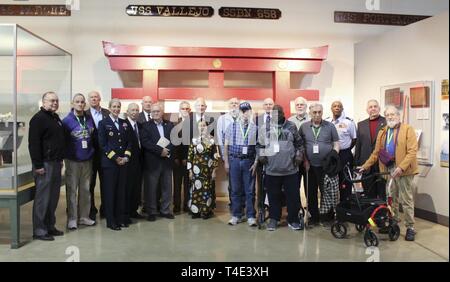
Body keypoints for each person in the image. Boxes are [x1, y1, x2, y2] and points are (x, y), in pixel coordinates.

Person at [360, 105, 419, 241]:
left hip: (404, 170)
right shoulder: (383, 131)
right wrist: (365, 165)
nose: (391, 117)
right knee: (391, 198)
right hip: (389, 169)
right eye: (388, 115)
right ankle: (393, 222)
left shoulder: (407, 129)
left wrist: (401, 167)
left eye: (393, 114)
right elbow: (376, 153)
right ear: (385, 117)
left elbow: (412, 151)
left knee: (406, 199)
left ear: (398, 116)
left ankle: (410, 227)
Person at [258, 105, 305, 231]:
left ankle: (293, 220)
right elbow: (259, 146)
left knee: (293, 196)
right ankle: (274, 219)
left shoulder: (291, 126)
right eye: (274, 112)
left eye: (279, 112)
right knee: (273, 196)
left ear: (283, 113)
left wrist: (299, 157)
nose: (277, 114)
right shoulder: (264, 128)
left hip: (290, 170)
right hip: (272, 170)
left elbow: (300, 144)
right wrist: (262, 157)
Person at [28, 91, 65, 240]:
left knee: (53, 198)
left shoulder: (55, 118)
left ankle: (50, 226)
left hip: (56, 163)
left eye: (56, 101)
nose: (54, 103)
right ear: (43, 102)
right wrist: (38, 165)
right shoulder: (38, 119)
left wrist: (61, 159)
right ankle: (39, 230)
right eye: (51, 101)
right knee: (43, 199)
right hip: (44, 164)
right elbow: (34, 144)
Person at [300, 102, 340, 226]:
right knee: (310, 192)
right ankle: (314, 217)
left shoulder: (330, 126)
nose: (317, 115)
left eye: (319, 112)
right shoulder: (304, 127)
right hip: (310, 166)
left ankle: (327, 217)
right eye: (314, 112)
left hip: (326, 167)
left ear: (322, 112)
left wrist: (333, 156)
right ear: (310, 113)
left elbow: (336, 143)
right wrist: (305, 160)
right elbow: (301, 146)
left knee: (326, 192)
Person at [62, 93, 96, 230]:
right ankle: (72, 218)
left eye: (82, 102)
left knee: (86, 190)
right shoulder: (67, 121)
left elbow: (92, 136)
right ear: (72, 103)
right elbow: (63, 141)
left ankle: (84, 217)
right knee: (72, 190)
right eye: (77, 101)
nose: (80, 104)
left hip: (87, 159)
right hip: (72, 161)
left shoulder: (88, 118)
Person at [97, 99, 132, 231]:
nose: (116, 109)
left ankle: (120, 218)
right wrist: (116, 158)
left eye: (118, 107)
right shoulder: (103, 123)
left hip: (123, 163)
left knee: (121, 192)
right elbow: (103, 144)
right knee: (110, 192)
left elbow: (129, 142)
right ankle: (111, 221)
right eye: (114, 107)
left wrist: (126, 157)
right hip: (110, 164)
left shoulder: (124, 123)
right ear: (109, 108)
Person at [223, 102, 258, 226]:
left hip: (249, 161)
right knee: (235, 189)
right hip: (234, 161)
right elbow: (225, 146)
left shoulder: (255, 128)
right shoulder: (231, 126)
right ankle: (236, 215)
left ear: (250, 112)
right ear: (239, 112)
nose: (244, 113)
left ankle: (250, 215)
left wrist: (256, 162)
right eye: (242, 111)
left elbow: (258, 147)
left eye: (247, 110)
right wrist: (226, 162)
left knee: (249, 190)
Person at [140, 103, 175, 221]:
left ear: (162, 112)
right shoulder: (145, 126)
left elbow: (174, 140)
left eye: (158, 111)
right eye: (153, 111)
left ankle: (165, 210)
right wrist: (161, 151)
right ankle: (152, 211)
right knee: (151, 188)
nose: (155, 113)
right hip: (152, 161)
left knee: (167, 187)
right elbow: (145, 142)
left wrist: (167, 151)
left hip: (167, 161)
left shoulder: (169, 125)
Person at [187, 120, 219, 219]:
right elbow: (190, 156)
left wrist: (214, 170)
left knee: (206, 190)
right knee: (196, 189)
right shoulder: (194, 140)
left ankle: (206, 211)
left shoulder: (212, 140)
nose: (202, 127)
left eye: (204, 125)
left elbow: (215, 156)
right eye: (200, 126)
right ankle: (195, 211)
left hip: (207, 170)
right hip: (196, 169)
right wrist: (190, 170)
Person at [85, 91, 110, 220]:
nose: (94, 99)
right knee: (91, 183)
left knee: (106, 182)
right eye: (91, 97)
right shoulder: (85, 115)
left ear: (100, 99)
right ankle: (91, 209)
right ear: (89, 100)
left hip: (106, 155)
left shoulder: (107, 113)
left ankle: (105, 208)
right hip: (90, 155)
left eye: (96, 97)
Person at [355, 99, 387, 199]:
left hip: (382, 162)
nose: (373, 109)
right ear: (367, 110)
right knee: (368, 192)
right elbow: (358, 144)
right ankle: (370, 213)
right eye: (370, 107)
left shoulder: (386, 122)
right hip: (366, 163)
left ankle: (382, 213)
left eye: (375, 106)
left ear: (379, 108)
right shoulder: (361, 124)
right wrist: (357, 163)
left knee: (382, 192)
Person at [325, 101, 357, 202]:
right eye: (334, 106)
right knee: (331, 182)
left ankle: (345, 207)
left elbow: (354, 139)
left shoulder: (349, 122)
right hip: (331, 155)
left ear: (342, 109)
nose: (337, 108)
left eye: (339, 106)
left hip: (344, 155)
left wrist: (346, 149)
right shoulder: (326, 122)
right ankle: (333, 208)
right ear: (331, 108)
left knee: (345, 182)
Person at [216, 97, 240, 210]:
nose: (234, 105)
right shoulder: (222, 118)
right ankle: (233, 203)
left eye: (236, 103)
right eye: (232, 103)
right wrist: (224, 157)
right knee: (232, 180)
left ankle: (242, 203)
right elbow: (220, 138)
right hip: (229, 154)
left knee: (243, 180)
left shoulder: (245, 117)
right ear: (228, 105)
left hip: (244, 154)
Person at [288, 96, 310, 204]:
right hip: (294, 160)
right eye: (298, 105)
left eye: (302, 104)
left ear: (306, 106)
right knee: (293, 187)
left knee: (309, 187)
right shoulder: (289, 121)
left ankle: (310, 210)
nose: (300, 106)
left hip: (308, 159)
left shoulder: (312, 119)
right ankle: (296, 209)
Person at [124, 103, 144, 219]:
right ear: (127, 111)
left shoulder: (140, 126)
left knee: (137, 188)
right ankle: (126, 212)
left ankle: (134, 210)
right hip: (128, 162)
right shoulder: (123, 124)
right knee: (128, 188)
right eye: (132, 110)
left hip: (139, 161)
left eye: (136, 110)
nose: (134, 112)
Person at [172, 101, 192, 213]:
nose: (185, 110)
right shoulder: (174, 123)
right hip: (176, 160)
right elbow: (173, 143)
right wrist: (176, 158)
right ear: (180, 110)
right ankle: (176, 205)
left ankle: (187, 205)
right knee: (177, 184)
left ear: (189, 110)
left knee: (188, 184)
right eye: (182, 108)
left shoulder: (194, 125)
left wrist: (187, 158)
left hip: (189, 160)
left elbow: (191, 143)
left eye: (187, 108)